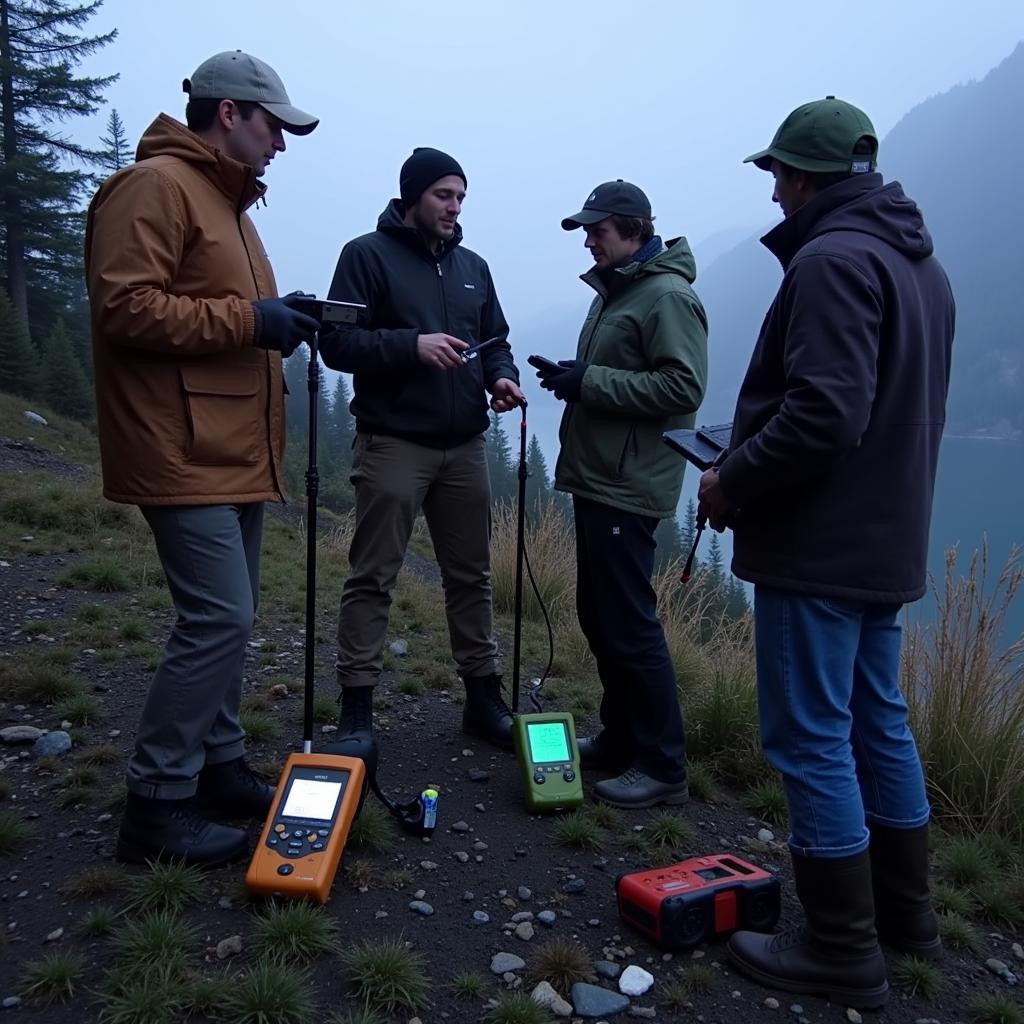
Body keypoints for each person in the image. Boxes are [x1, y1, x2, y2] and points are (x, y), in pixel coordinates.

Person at [697, 98, 954, 1007]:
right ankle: (906, 917)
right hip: (887, 538)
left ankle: (843, 947)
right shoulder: (922, 266)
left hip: (821, 545)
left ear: (803, 176)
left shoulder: (833, 259)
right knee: (876, 718)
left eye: (775, 175)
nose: (771, 194)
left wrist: (734, 478)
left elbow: (825, 415)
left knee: (810, 737)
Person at [85, 51, 321, 867]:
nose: (281, 144)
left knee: (233, 618)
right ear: (229, 114)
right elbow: (125, 306)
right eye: (274, 127)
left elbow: (217, 306)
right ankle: (155, 805)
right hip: (177, 445)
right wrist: (254, 322)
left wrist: (276, 315)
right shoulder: (154, 187)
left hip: (228, 448)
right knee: (219, 617)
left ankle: (217, 766)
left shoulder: (230, 206)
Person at [319, 148, 525, 765]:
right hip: (393, 443)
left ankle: (482, 699)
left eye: (460, 197)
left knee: (472, 577)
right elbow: (336, 342)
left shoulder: (473, 266)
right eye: (443, 195)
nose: (454, 207)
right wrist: (412, 345)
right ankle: (357, 707)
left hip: (464, 446)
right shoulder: (365, 256)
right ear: (412, 196)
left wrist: (502, 377)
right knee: (373, 576)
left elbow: (495, 340)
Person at [535, 180, 708, 808]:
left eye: (597, 230)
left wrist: (593, 382)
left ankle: (664, 767)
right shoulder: (620, 291)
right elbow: (618, 378)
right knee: (599, 614)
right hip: (600, 475)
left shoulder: (667, 297)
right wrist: (574, 379)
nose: (588, 240)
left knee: (630, 624)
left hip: (630, 485)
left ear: (634, 229)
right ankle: (621, 736)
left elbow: (682, 389)